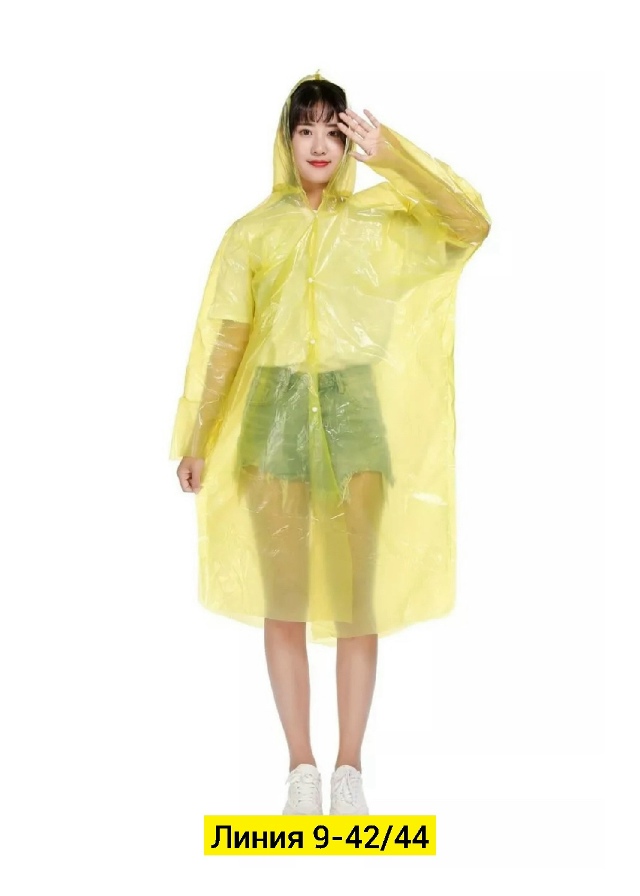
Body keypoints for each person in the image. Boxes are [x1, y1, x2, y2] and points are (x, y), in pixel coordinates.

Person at [170, 71, 491, 815]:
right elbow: (226, 339)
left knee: (355, 602)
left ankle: (350, 769)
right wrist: (197, 434)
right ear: (286, 141)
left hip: (352, 411)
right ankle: (301, 770)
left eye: (333, 131)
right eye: (305, 128)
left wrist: (395, 157)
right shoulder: (252, 233)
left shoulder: (377, 221)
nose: (319, 144)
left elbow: (470, 226)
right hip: (274, 411)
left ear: (348, 143)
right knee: (283, 601)